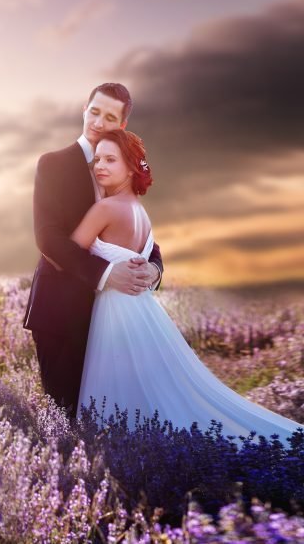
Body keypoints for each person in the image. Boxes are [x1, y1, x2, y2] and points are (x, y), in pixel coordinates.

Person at [72, 129, 304, 444]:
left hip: (116, 309)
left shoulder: (104, 209)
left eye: (110, 159)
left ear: (131, 167)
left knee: (117, 398)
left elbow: (70, 252)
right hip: (140, 308)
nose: (100, 165)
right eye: (97, 158)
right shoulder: (140, 211)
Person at [23, 83, 163, 416]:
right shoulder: (53, 164)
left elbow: (141, 235)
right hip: (60, 313)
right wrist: (106, 274)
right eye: (95, 112)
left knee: (113, 417)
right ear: (85, 111)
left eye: (110, 117)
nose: (99, 122)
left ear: (122, 125)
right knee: (67, 416)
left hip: (111, 321)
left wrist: (154, 269)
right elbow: (48, 238)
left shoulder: (119, 170)